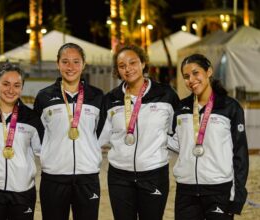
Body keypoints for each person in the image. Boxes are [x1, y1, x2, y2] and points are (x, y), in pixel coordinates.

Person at [97, 45, 180, 220]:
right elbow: (98, 138)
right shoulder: (111, 99)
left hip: (154, 174)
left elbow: (178, 133)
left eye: (132, 62)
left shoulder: (165, 94)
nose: (128, 69)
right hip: (119, 176)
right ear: (117, 71)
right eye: (122, 65)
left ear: (143, 63)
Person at [168, 53, 249, 219]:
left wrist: (238, 194)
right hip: (186, 190)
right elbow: (176, 144)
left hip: (218, 190)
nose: (191, 79)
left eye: (196, 73)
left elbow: (240, 154)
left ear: (209, 72)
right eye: (186, 76)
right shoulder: (181, 108)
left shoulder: (230, 107)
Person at [33, 42, 104, 220]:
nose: (70, 67)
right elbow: (38, 136)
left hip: (87, 177)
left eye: (76, 62)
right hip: (54, 178)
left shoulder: (97, 96)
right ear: (58, 64)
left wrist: (90, 156)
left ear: (84, 64)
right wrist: (52, 158)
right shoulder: (44, 96)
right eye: (65, 62)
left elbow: (101, 133)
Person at [0, 63, 43, 220]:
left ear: (22, 88)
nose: (11, 90)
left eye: (16, 85)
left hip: (23, 191)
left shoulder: (32, 118)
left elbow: (43, 151)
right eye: (6, 84)